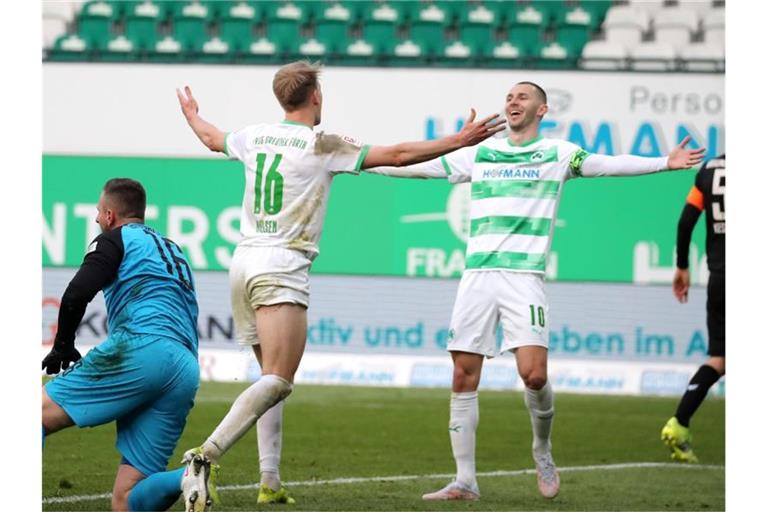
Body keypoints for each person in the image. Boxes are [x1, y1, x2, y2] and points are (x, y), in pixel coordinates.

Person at [176, 60, 505, 507]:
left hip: (243, 263)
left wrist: (192, 115)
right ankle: (204, 457)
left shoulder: (253, 135)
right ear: (316, 97)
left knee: (267, 379)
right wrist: (458, 141)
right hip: (282, 265)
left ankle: (269, 483)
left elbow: (212, 138)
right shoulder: (320, 142)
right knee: (279, 381)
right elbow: (397, 155)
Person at [366, 81, 706, 501]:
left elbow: (608, 163)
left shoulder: (557, 154)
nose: (513, 101)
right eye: (509, 96)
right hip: (477, 276)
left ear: (542, 110)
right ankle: (465, 480)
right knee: (462, 373)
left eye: (523, 97)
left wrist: (664, 162)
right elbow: (416, 166)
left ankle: (542, 450)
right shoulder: (481, 153)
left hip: (523, 278)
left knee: (534, 374)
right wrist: (362, 161)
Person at [42, 178, 206, 512]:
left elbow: (76, 293)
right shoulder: (173, 249)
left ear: (111, 215)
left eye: (99, 213)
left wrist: (63, 345)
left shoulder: (112, 240)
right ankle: (185, 478)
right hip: (185, 367)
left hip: (141, 350)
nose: (97, 220)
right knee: (128, 498)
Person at [661, 154, 725, 463]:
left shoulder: (710, 170)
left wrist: (683, 267)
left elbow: (686, 220)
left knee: (720, 359)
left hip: (719, 278)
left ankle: (680, 422)